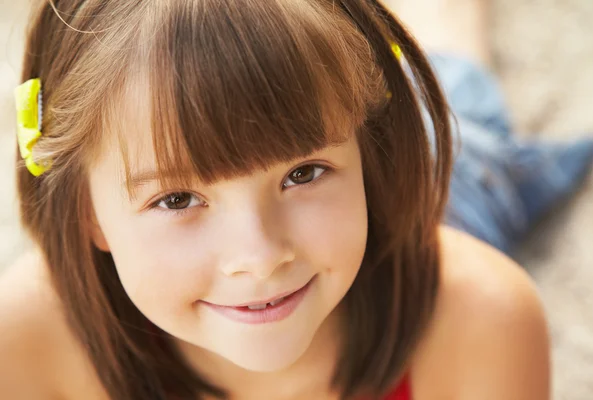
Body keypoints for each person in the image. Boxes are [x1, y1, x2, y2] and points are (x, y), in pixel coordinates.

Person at [0, 0, 560, 399]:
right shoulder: (22, 342)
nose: (262, 255)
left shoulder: (483, 319)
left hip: (448, 193)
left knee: (463, 124)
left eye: (304, 172)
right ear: (86, 211)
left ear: (371, 152)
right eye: (176, 200)